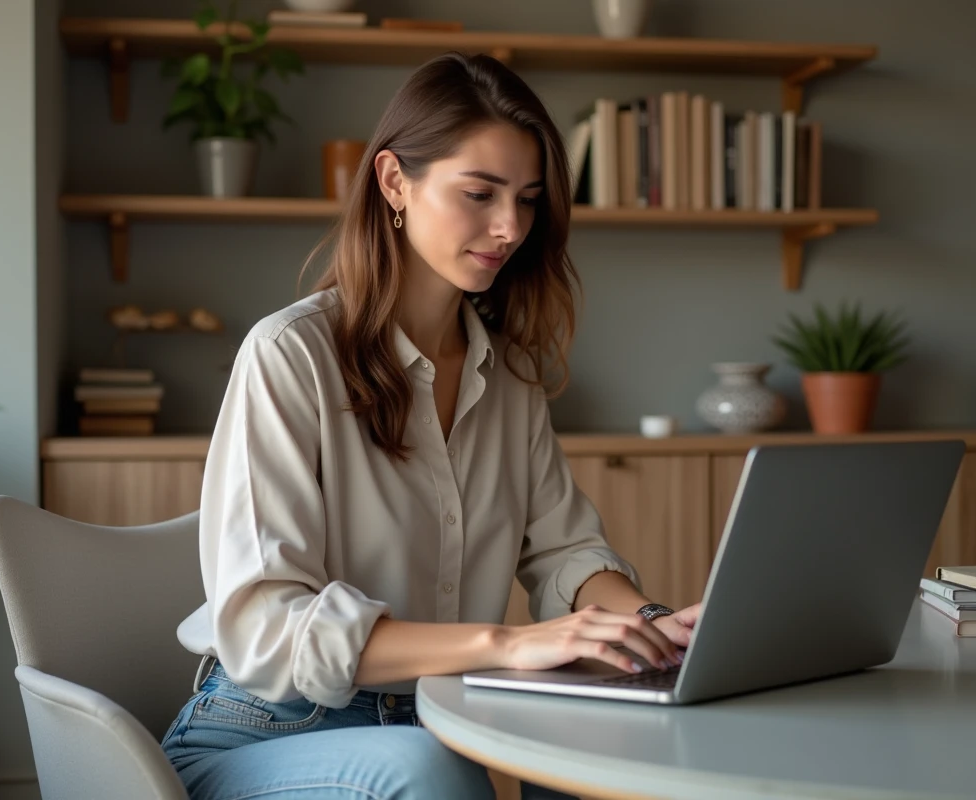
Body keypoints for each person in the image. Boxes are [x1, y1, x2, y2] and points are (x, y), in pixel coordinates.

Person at [161, 51, 701, 800]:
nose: (509, 226)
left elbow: (567, 554)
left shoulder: (509, 377)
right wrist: (507, 645)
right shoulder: (291, 356)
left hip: (436, 721)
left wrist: (647, 626)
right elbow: (267, 627)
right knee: (435, 775)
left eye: (528, 199)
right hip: (265, 730)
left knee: (600, 749)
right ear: (394, 183)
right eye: (479, 193)